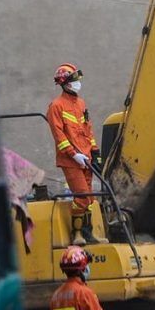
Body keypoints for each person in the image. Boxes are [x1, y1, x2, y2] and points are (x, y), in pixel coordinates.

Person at [47, 63, 106, 246]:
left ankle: (88, 234)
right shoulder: (56, 106)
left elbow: (87, 129)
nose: (78, 83)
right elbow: (59, 135)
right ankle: (77, 233)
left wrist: (95, 151)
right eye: (74, 80)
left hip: (86, 157)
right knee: (81, 195)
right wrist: (73, 154)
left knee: (89, 197)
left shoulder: (81, 104)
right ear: (65, 83)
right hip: (71, 160)